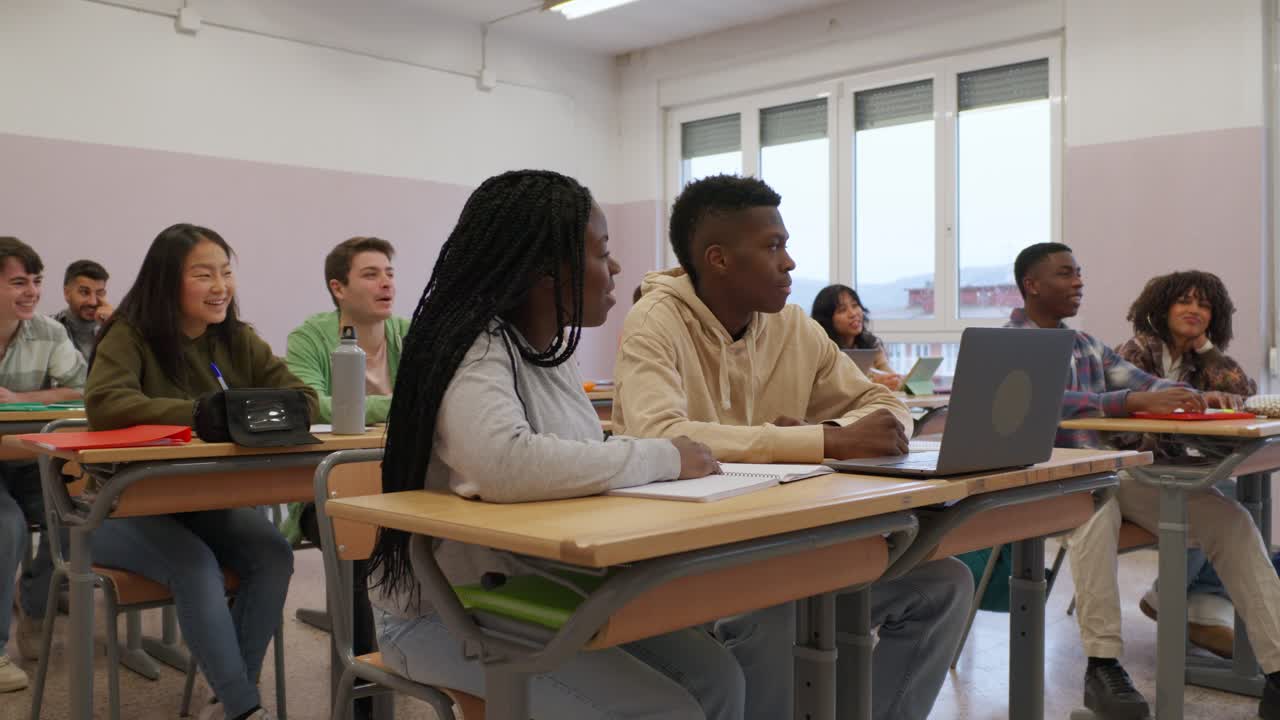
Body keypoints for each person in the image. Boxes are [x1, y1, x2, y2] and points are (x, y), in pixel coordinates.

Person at [368, 170, 745, 719]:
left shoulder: (546, 351)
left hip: (534, 588)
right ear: (546, 270)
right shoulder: (477, 345)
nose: (615, 268)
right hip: (443, 610)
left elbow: (570, 460)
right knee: (664, 711)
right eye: (602, 251)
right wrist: (663, 457)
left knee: (720, 678)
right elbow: (504, 463)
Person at [612, 174, 972, 720]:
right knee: (777, 615)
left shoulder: (793, 326)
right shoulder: (654, 322)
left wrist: (830, 431)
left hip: (790, 543)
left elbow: (885, 405)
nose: (790, 263)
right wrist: (817, 438)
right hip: (695, 559)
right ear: (719, 259)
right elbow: (660, 436)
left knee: (944, 584)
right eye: (773, 246)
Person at [1008, 243, 1280, 720]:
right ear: (1032, 285)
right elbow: (1044, 402)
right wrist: (1128, 401)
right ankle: (1103, 664)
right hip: (1046, 483)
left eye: (1080, 272)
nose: (1079, 282)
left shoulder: (1086, 343)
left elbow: (1138, 382)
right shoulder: (1008, 345)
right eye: (1066, 274)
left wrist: (1194, 396)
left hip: (1110, 471)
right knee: (1095, 513)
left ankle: (1277, 672)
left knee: (1227, 516)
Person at [86, 223, 318, 720]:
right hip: (117, 507)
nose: (221, 287)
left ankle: (228, 698)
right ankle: (243, 709)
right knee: (195, 568)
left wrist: (237, 411)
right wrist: (198, 414)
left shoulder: (237, 339)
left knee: (273, 553)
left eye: (227, 273)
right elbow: (104, 403)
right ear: (168, 282)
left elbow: (304, 400)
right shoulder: (129, 334)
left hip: (201, 501)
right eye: (204, 274)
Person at [282, 236, 408, 720]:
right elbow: (310, 405)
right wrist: (396, 406)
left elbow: (441, 397)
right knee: (360, 548)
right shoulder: (310, 337)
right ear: (338, 287)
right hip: (328, 492)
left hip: (400, 488)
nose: (386, 283)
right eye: (371, 274)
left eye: (390, 272)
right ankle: (361, 695)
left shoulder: (406, 334)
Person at [1117, 270, 1257, 659]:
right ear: (1163, 307)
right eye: (1185, 301)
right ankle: (1183, 602)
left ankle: (1189, 602)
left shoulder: (1199, 358)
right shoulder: (1138, 349)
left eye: (1205, 305)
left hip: (1170, 468)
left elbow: (1244, 395)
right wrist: (1196, 397)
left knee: (1229, 493)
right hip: (1130, 469)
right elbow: (1138, 402)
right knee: (1215, 498)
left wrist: (1208, 349)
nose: (1195, 310)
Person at [0, 237, 87, 692]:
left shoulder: (49, 333)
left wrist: (20, 399)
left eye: (36, 281)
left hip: (24, 457)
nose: (32, 291)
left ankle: (32, 608)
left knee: (74, 515)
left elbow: (81, 389)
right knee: (7, 527)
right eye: (18, 282)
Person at [810, 284, 903, 389]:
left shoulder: (871, 343)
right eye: (842, 310)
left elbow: (891, 378)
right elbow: (829, 392)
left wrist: (896, 380)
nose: (853, 314)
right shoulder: (822, 351)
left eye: (855, 305)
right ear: (827, 320)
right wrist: (873, 383)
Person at [54, 259, 113, 361]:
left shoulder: (114, 330)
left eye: (99, 293)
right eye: (85, 292)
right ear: (67, 293)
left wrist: (114, 326)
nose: (93, 302)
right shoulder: (49, 330)